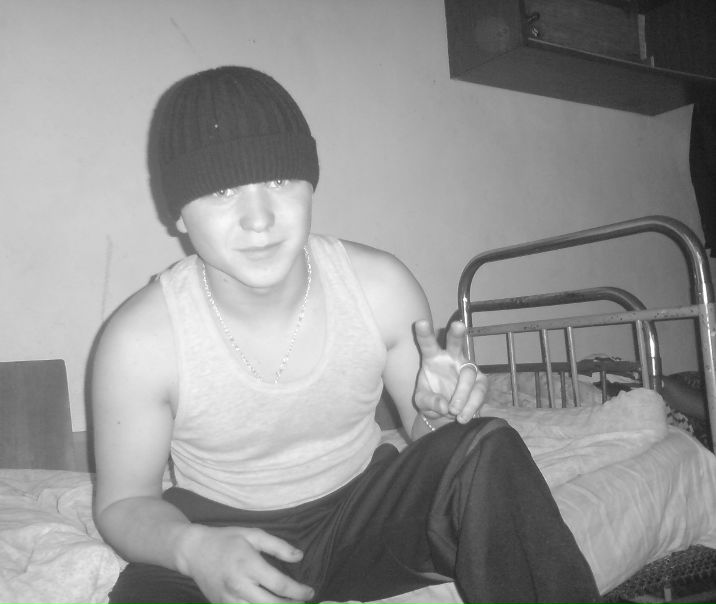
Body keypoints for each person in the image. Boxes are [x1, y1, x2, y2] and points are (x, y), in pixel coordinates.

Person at [91, 65, 600, 604]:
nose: (259, 218)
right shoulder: (140, 342)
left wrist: (440, 415)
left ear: (311, 186)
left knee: (485, 445)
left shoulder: (380, 288)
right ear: (178, 214)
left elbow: (430, 439)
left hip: (364, 516)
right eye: (221, 190)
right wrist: (193, 549)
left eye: (279, 181)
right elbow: (123, 504)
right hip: (223, 536)